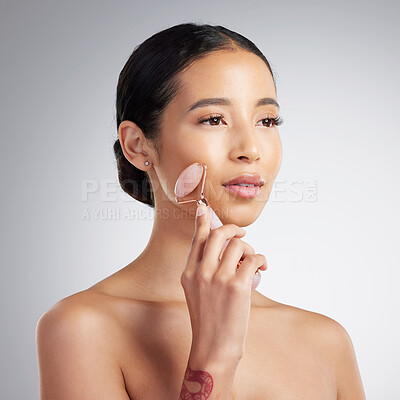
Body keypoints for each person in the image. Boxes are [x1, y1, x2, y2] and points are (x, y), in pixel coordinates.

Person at [36, 22, 366, 399]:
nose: (250, 148)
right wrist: (214, 353)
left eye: (266, 121)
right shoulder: (82, 328)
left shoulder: (327, 342)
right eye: (213, 119)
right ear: (138, 146)